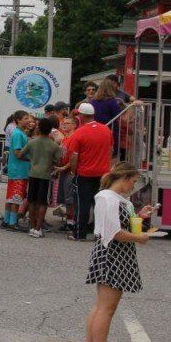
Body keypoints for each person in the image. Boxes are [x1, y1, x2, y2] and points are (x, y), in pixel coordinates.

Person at [82, 162, 152, 342]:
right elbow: (115, 233)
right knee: (107, 308)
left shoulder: (112, 198)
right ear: (124, 178)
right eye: (132, 181)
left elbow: (117, 226)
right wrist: (139, 238)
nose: (133, 185)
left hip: (112, 254)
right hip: (114, 254)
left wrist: (140, 217)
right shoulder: (109, 198)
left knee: (101, 305)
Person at [66, 103, 113, 241]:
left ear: (81, 116)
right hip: (103, 174)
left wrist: (73, 172)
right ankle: (100, 234)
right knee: (100, 205)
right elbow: (110, 150)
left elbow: (73, 156)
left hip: (84, 173)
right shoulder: (106, 129)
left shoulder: (79, 133)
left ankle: (80, 234)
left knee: (82, 205)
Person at [16, 117, 62, 238]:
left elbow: (20, 155)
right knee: (43, 202)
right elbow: (59, 161)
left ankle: (31, 226)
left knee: (31, 200)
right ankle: (38, 228)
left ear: (39, 128)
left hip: (33, 173)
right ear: (50, 131)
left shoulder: (32, 142)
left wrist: (31, 160)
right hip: (46, 175)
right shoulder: (54, 145)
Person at [3, 110, 31, 231]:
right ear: (18, 120)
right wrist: (31, 158)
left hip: (16, 170)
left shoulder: (20, 133)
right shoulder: (18, 134)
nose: (28, 120)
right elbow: (18, 153)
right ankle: (12, 222)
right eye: (25, 118)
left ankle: (6, 220)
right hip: (19, 170)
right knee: (16, 197)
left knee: (11, 197)